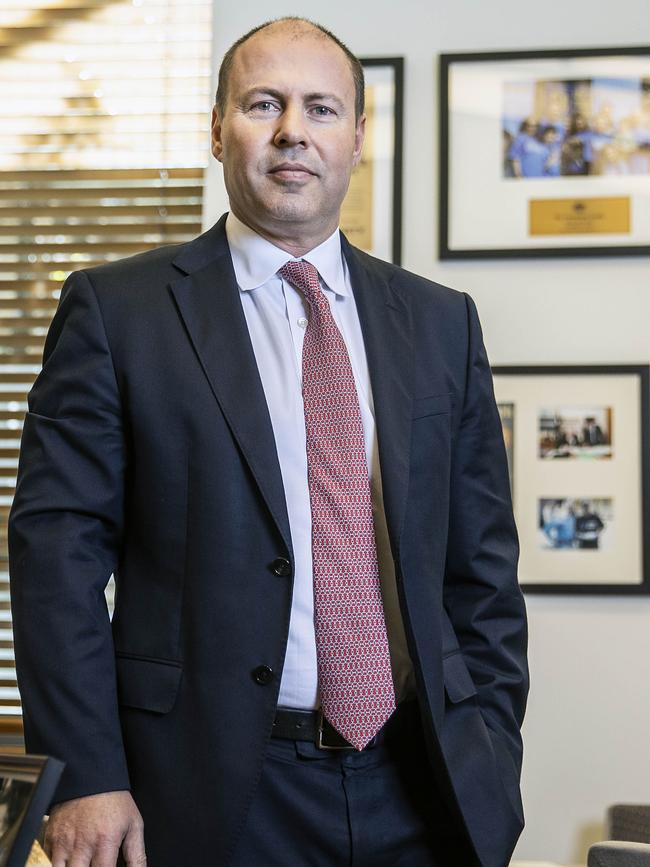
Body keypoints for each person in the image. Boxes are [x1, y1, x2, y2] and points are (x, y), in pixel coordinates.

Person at [8, 17, 528, 867]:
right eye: (264, 103)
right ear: (218, 130)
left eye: (322, 108)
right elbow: (55, 556)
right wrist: (86, 775)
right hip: (208, 791)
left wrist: (492, 751)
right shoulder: (118, 313)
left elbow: (482, 573)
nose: (294, 129)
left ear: (357, 138)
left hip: (424, 786)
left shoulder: (438, 323)